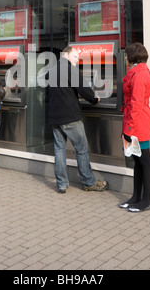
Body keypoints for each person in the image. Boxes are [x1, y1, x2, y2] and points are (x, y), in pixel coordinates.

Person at [47, 46, 108, 193]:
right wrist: (95, 99)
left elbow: (49, 96)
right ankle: (89, 182)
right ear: (66, 55)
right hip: (70, 117)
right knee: (81, 149)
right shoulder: (70, 70)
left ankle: (61, 184)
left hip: (55, 117)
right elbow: (84, 89)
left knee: (59, 150)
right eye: (75, 57)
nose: (77, 60)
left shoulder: (50, 71)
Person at [119, 42, 150, 212]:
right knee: (137, 161)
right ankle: (136, 197)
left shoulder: (139, 74)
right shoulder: (137, 72)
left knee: (144, 160)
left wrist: (129, 129)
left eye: (126, 55)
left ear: (132, 56)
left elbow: (137, 104)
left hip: (139, 124)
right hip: (135, 122)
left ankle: (146, 200)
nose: (125, 57)